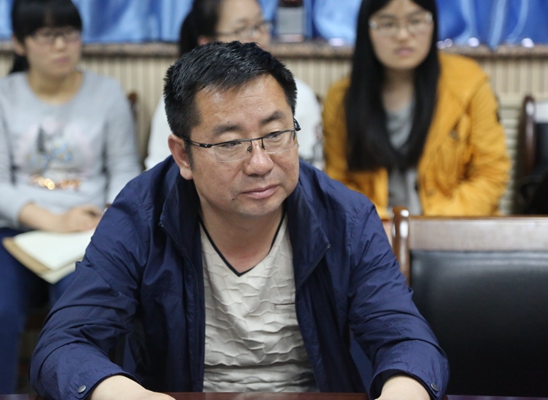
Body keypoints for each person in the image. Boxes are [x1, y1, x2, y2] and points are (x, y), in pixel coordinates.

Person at [31, 41, 448, 400]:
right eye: (231, 143)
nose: (261, 163)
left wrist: (403, 390)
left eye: (276, 134)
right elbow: (64, 344)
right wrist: (126, 394)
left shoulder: (345, 216)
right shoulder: (141, 214)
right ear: (183, 155)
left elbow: (407, 340)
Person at [0, 0, 140, 394]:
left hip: (89, 235)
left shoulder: (107, 93)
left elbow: (125, 172)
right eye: (47, 35)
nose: (61, 45)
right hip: (13, 234)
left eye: (69, 33)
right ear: (19, 42)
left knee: (82, 319)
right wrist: (55, 221)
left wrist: (107, 218)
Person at [323, 0, 511, 219]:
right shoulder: (341, 98)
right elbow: (338, 182)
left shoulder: (470, 84)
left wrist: (431, 226)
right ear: (367, 29)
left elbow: (491, 174)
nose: (403, 35)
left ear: (433, 23)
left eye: (415, 21)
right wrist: (380, 226)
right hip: (373, 232)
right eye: (388, 24)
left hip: (453, 228)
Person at [144, 0, 323, 170]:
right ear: (207, 43)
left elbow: (311, 170)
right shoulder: (183, 102)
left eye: (261, 25)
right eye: (242, 29)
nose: (257, 37)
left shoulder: (299, 95)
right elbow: (159, 173)